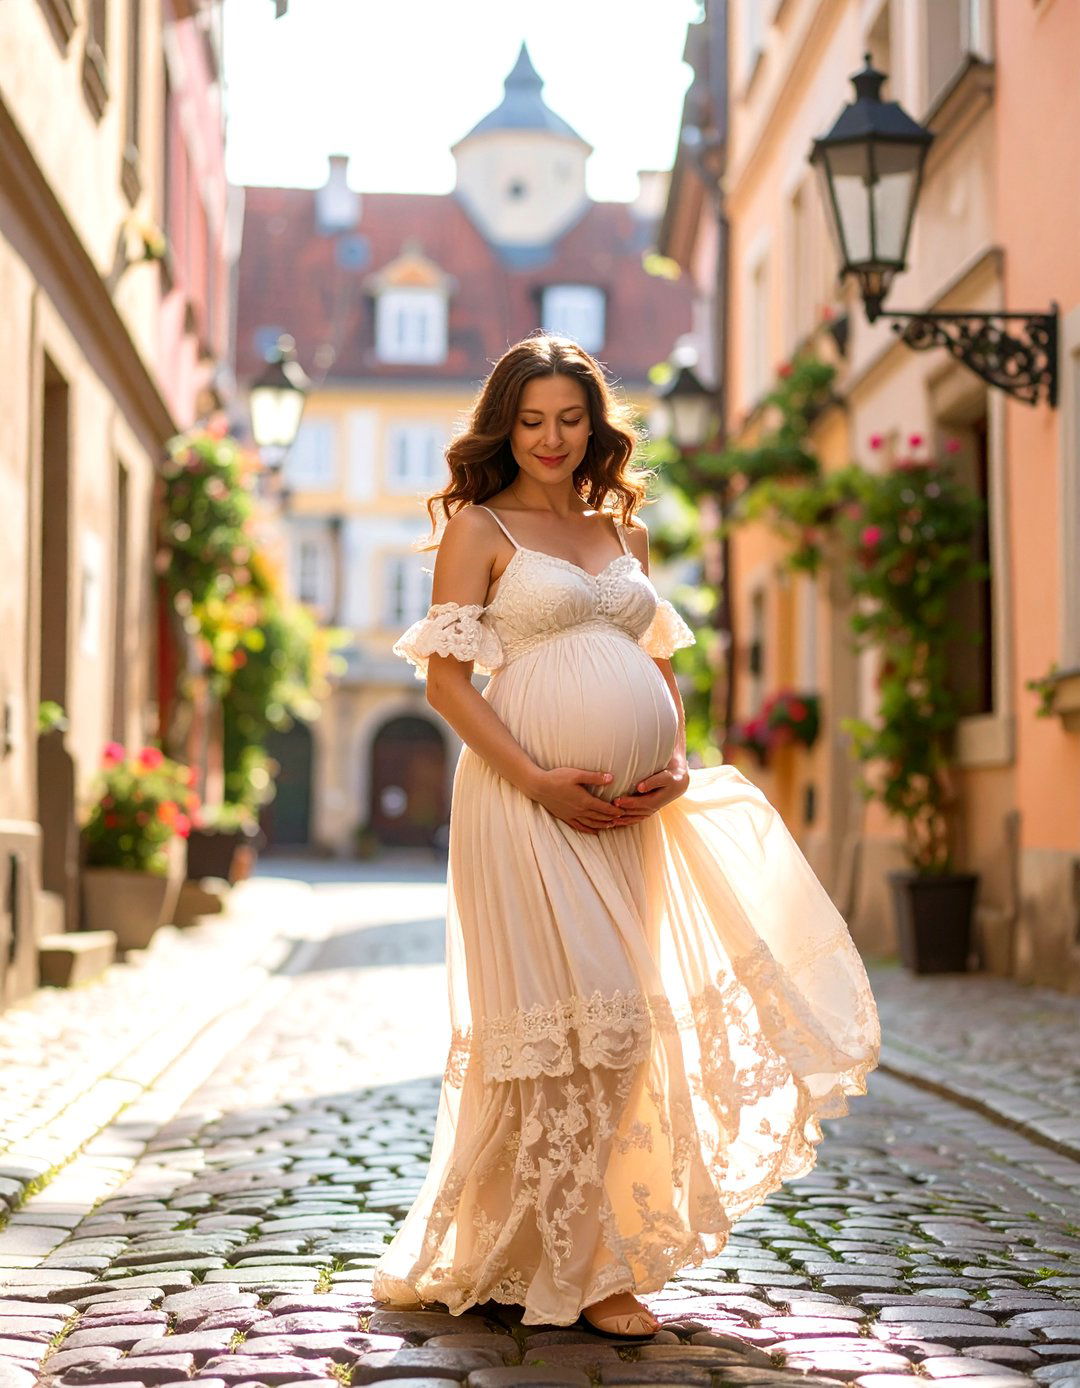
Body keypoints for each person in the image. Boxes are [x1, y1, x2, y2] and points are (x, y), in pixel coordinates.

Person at [371, 333, 880, 1338]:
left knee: (620, 1025)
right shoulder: (481, 526)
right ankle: (577, 1266)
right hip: (522, 803)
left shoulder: (624, 535)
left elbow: (660, 662)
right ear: (504, 426)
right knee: (565, 1029)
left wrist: (680, 756)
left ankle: (572, 1251)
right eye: (531, 420)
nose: (552, 438)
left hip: (633, 811)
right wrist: (536, 778)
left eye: (570, 418)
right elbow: (444, 682)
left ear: (594, 426)